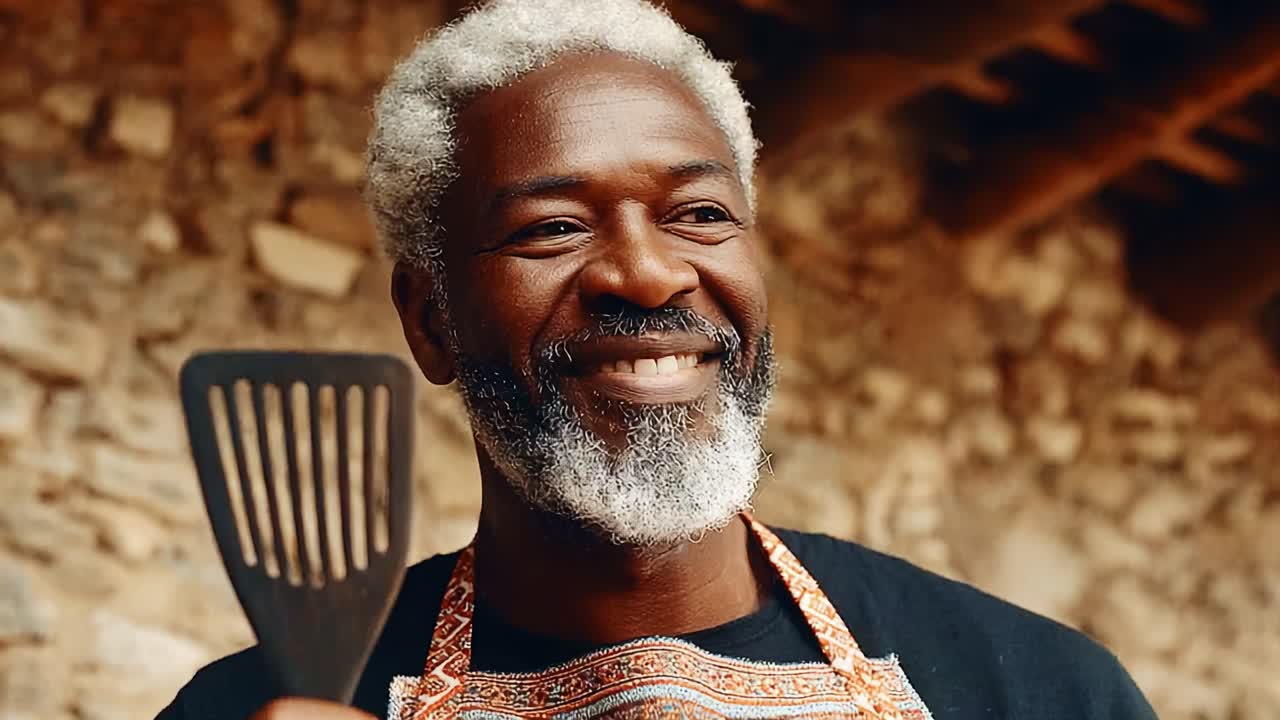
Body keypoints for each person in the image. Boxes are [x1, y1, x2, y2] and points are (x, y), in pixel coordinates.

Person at [158, 0, 1159, 718]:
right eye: (550, 228)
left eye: (700, 214)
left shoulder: (1034, 690)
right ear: (430, 321)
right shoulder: (260, 706)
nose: (645, 275)